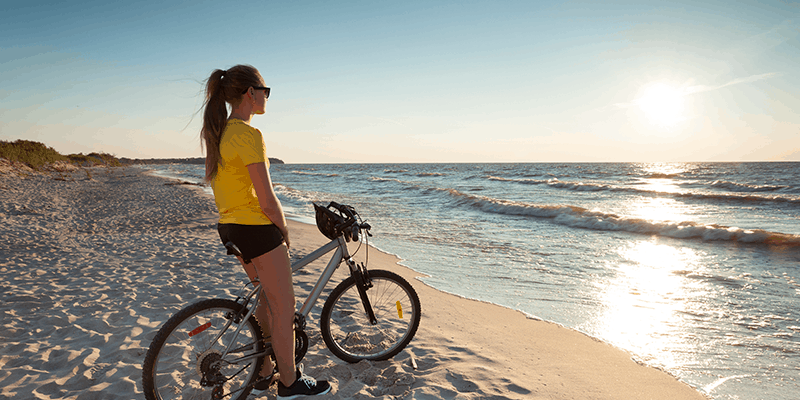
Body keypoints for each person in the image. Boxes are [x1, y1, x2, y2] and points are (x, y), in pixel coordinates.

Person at [200, 64, 331, 398]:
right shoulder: (248, 134)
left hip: (229, 227)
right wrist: (284, 229)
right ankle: (290, 383)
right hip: (255, 230)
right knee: (284, 309)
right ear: (251, 93)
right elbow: (268, 198)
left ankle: (264, 371)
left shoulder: (220, 133)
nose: (266, 98)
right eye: (265, 91)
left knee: (266, 299)